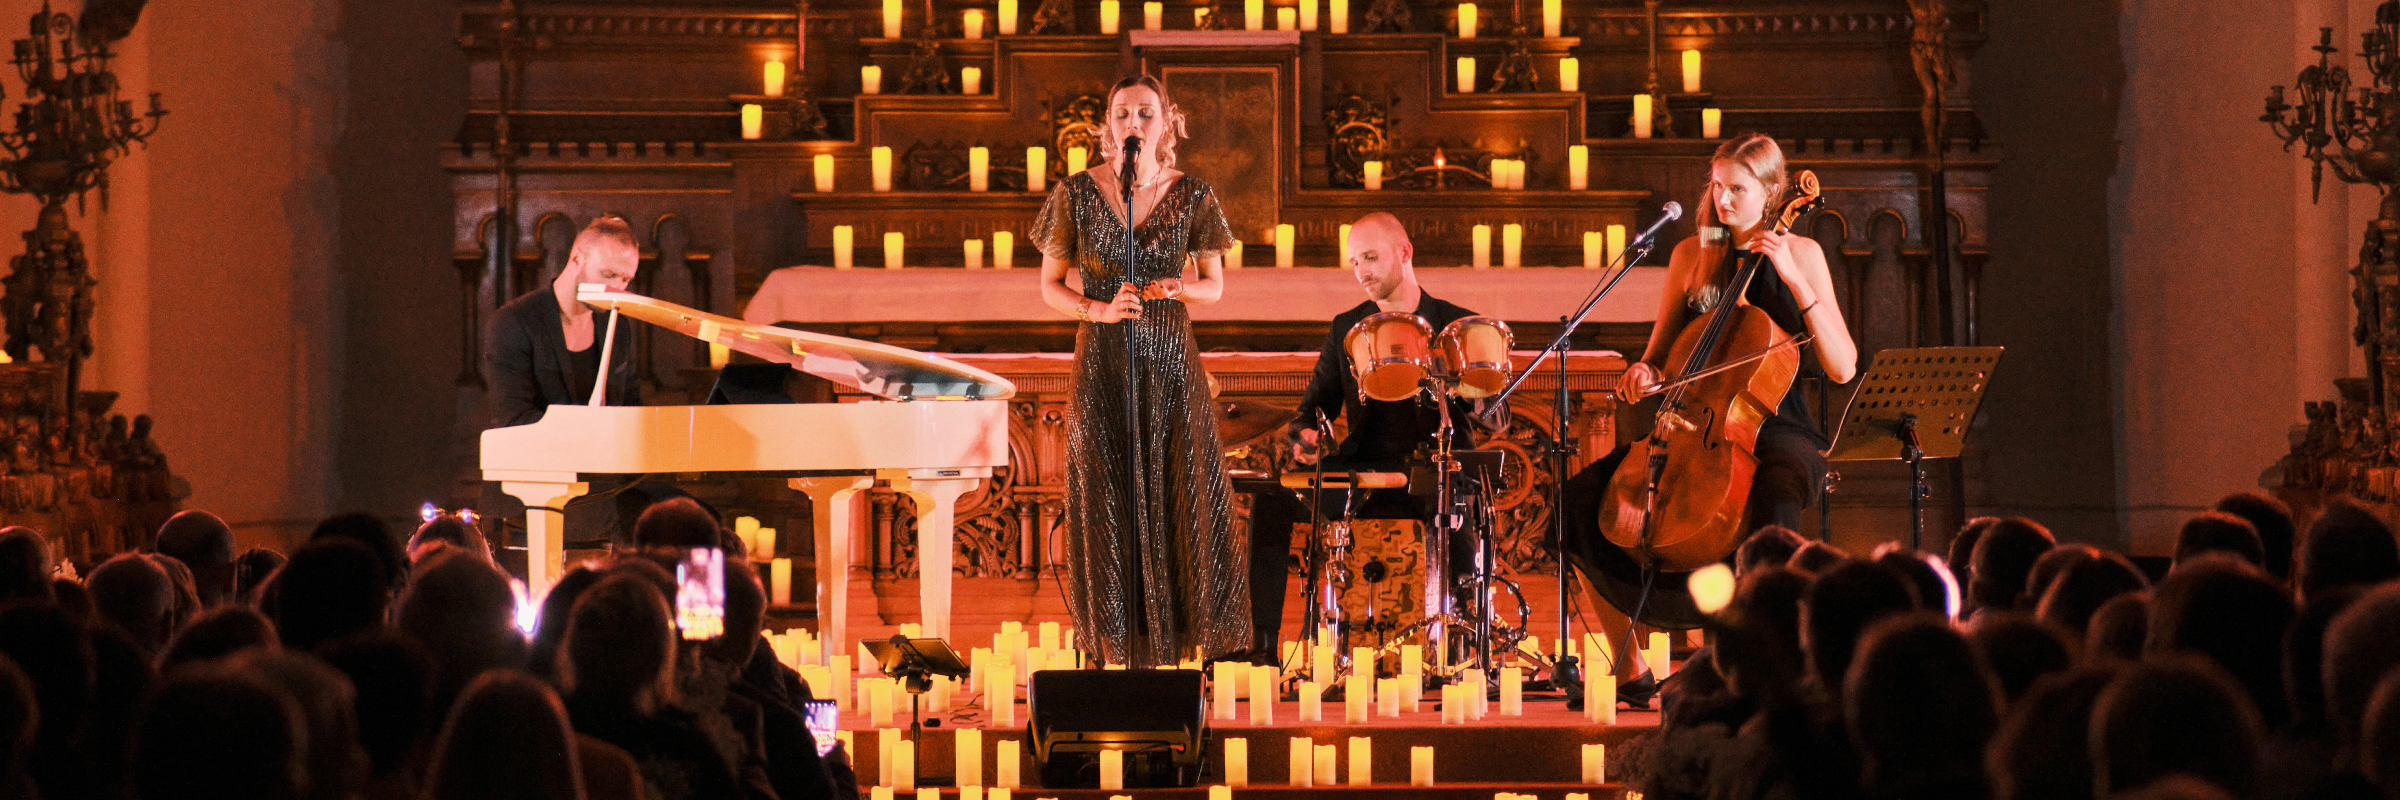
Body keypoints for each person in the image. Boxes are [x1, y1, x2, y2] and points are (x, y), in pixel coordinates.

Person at [1555, 132, 1858, 689]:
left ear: (1772, 192)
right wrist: (1642, 374)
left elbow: (1841, 366)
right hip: (1692, 424)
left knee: (1773, 502)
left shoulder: (1805, 254)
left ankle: (1758, 665)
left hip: (1779, 428)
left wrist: (1791, 276)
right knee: (1575, 504)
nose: (1723, 200)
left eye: (1737, 189)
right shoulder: (1694, 254)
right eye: (1716, 186)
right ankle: (1630, 668)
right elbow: (1657, 357)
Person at [1030, 73, 1244, 667]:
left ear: (1166, 123)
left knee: (1176, 488)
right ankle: (1116, 646)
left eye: (1146, 113)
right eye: (1123, 113)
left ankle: (1174, 649)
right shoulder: (1074, 194)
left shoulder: (1195, 195)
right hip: (1104, 361)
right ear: (1107, 125)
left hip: (1171, 361)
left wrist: (1179, 287)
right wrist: (1096, 309)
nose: (1134, 123)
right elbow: (1047, 286)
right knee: (1109, 491)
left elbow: (1216, 287)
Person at [1245, 211, 1499, 654]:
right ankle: (1261, 645)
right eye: (1354, 262)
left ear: (1404, 253)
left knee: (1453, 505)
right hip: (1363, 474)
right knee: (1272, 500)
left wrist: (1465, 386)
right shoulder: (1347, 327)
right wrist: (1306, 437)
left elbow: (1498, 416)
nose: (1361, 272)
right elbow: (1313, 408)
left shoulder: (1456, 324)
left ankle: (1464, 645)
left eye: (1370, 258)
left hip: (1437, 471)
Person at [486, 214, 643, 429]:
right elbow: (514, 420)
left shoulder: (617, 326)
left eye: (626, 280)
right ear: (577, 258)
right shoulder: (514, 323)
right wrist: (585, 429)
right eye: (608, 275)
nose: (617, 289)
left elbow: (631, 407)